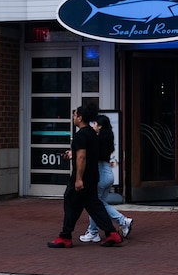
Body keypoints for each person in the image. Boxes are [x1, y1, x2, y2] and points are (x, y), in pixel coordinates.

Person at [48, 103, 123, 248]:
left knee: (70, 203)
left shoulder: (81, 135)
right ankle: (112, 233)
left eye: (75, 115)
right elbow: (86, 155)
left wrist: (78, 179)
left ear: (80, 117)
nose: (73, 117)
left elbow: (82, 157)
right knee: (94, 205)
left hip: (82, 178)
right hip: (93, 176)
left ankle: (65, 237)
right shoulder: (92, 134)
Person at [79, 114, 133, 243]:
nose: (93, 126)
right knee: (98, 204)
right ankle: (93, 232)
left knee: (95, 204)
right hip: (108, 174)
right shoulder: (107, 138)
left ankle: (122, 220)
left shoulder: (98, 141)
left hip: (101, 176)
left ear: (100, 126)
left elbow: (91, 157)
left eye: (95, 124)